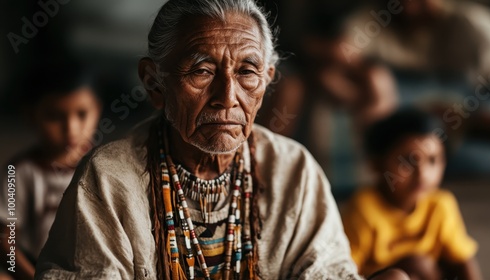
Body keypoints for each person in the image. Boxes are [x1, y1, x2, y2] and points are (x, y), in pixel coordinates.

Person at [34, 1, 409, 279]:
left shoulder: (294, 169)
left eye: (247, 72)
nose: (227, 96)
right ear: (154, 83)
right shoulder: (109, 177)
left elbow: (327, 270)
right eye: (201, 70)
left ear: (266, 81)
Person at [342, 108, 483, 279]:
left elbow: (463, 260)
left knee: (422, 265)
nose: (422, 174)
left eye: (432, 160)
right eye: (408, 161)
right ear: (377, 164)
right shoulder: (364, 208)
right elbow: (346, 269)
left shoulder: (440, 204)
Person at [0, 59, 101, 280]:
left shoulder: (103, 166)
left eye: (82, 114)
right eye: (54, 117)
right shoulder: (17, 172)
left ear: (97, 110)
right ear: (31, 116)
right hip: (34, 269)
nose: (71, 128)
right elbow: (7, 239)